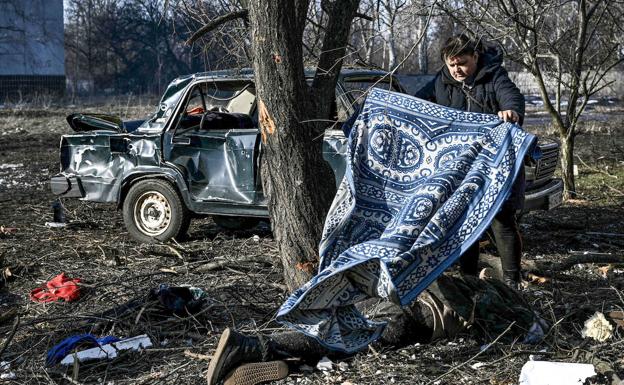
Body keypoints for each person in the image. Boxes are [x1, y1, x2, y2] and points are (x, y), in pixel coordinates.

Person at [206, 272, 544, 385]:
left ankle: (267, 354)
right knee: (340, 343)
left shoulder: (467, 282)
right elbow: (509, 331)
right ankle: (254, 350)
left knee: (334, 332)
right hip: (416, 320)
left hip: (399, 300)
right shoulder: (503, 302)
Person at [415, 33, 526, 288]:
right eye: (451, 64)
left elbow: (512, 97)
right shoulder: (440, 81)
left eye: (462, 63)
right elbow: (417, 104)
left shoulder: (494, 75)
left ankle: (513, 280)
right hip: (460, 165)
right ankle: (468, 280)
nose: (456, 70)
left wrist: (512, 112)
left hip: (495, 163)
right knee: (464, 219)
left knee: (502, 218)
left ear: (475, 57)